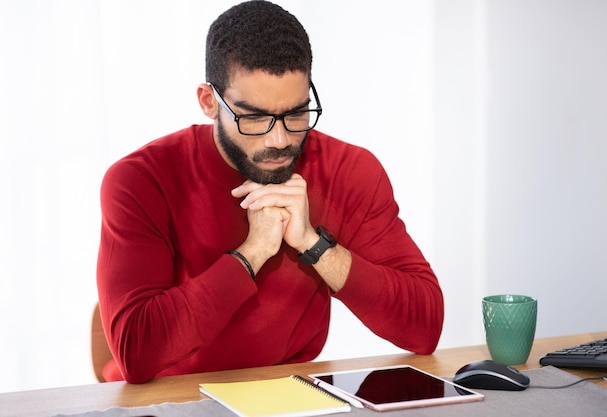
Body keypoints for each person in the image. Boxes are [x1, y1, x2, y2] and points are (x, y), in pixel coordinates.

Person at [97, 0, 444, 384]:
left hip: (290, 396)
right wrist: (253, 252)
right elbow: (135, 352)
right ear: (209, 102)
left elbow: (424, 327)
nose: (279, 140)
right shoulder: (140, 180)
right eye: (255, 118)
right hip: (168, 399)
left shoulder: (351, 170)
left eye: (296, 114)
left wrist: (314, 245)